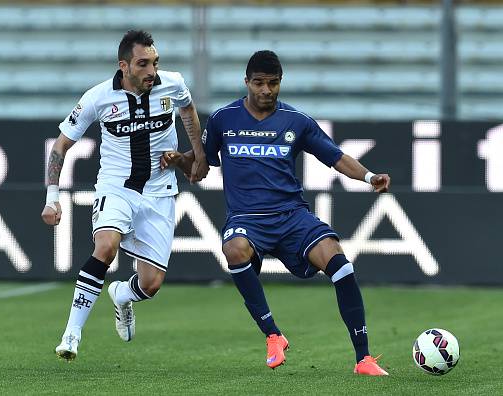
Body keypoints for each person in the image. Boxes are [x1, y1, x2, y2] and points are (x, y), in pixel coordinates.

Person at [163, 50, 391, 375]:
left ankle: (363, 359)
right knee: (233, 248)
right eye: (259, 83)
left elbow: (336, 157)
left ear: (280, 82)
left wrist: (369, 177)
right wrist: (179, 159)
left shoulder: (296, 121)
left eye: (273, 83)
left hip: (291, 216)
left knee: (340, 263)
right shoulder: (223, 119)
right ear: (247, 82)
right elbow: (201, 167)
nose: (266, 91)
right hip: (247, 219)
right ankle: (273, 334)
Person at [41, 30, 208, 361]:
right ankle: (72, 334)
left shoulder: (172, 84)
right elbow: (61, 145)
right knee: (105, 247)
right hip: (116, 188)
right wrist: (51, 196)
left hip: (160, 193)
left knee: (152, 284)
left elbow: (187, 110)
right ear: (124, 66)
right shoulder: (97, 98)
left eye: (155, 63)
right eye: (143, 64)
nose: (152, 71)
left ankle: (121, 295)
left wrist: (197, 154)